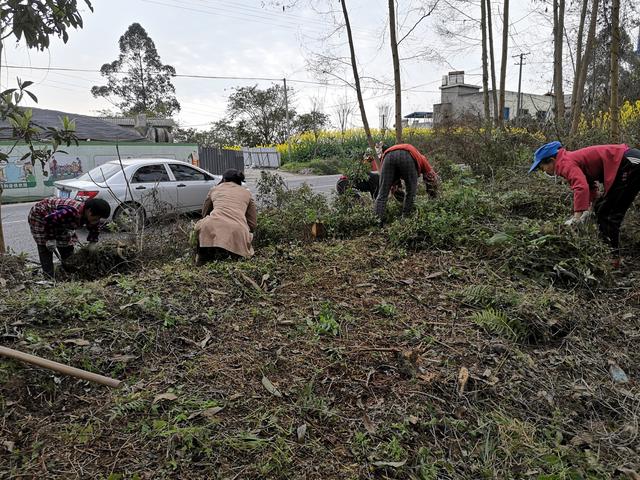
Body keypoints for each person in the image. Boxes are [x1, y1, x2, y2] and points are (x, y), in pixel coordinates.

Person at [529, 141, 640, 266]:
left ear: (551, 160)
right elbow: (588, 183)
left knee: (608, 214)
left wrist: (577, 217)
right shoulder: (567, 159)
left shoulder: (564, 163)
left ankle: (613, 259)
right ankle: (613, 256)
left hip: (630, 163)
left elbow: (581, 187)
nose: (543, 170)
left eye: (541, 167)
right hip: (629, 163)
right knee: (601, 208)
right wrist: (591, 206)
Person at [28, 197, 111, 278]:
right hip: (41, 216)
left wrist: (92, 242)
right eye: (97, 218)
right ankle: (49, 276)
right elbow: (49, 220)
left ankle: (69, 270)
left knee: (66, 245)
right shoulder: (70, 212)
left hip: (59, 220)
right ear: (89, 211)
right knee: (45, 247)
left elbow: (94, 228)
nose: (97, 220)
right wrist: (50, 239)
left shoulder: (88, 214)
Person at [195, 169, 257, 264]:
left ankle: (200, 262)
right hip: (237, 230)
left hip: (210, 227)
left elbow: (205, 213)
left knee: (202, 226)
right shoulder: (247, 193)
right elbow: (252, 223)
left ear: (224, 179)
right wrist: (246, 231)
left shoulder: (214, 189)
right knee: (237, 263)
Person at [374, 143, 439, 222]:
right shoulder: (422, 158)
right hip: (407, 155)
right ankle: (405, 219)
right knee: (410, 192)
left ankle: (377, 221)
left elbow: (395, 188)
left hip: (388, 156)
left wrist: (401, 198)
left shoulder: (392, 153)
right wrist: (433, 197)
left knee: (382, 193)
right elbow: (431, 178)